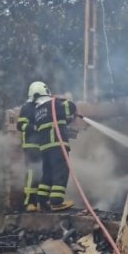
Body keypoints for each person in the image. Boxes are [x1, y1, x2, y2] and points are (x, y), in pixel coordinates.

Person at [31, 82, 79, 212]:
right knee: (61, 172)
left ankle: (42, 201)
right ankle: (56, 202)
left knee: (47, 174)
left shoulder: (38, 111)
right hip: (57, 145)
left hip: (45, 148)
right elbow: (71, 107)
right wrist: (67, 98)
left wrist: (68, 120)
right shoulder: (53, 104)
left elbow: (56, 120)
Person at [17, 83, 45, 212]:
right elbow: (20, 125)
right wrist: (33, 127)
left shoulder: (42, 106)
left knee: (42, 173)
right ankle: (29, 201)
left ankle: (40, 201)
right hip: (31, 145)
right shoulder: (27, 107)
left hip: (42, 145)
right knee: (32, 173)